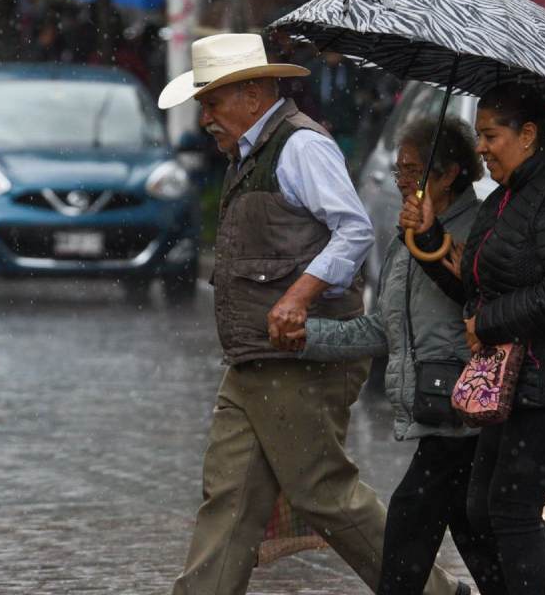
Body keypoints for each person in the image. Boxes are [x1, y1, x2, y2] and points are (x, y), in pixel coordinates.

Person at [157, 33, 461, 595]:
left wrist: (297, 296)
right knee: (230, 497)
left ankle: (434, 593)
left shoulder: (301, 146)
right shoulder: (251, 153)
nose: (206, 118)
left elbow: (354, 230)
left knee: (322, 490)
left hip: (299, 355)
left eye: (213, 102)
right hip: (255, 356)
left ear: (252, 95)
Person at [403, 83, 545, 595]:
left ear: (528, 134)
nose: (481, 147)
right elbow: (478, 288)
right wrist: (430, 241)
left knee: (512, 509)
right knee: (481, 506)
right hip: (515, 382)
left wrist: (490, 323)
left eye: (491, 135)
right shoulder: (505, 198)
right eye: (478, 135)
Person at [283, 116, 506, 594]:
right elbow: (385, 328)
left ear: (447, 174)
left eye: (410, 170)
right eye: (399, 170)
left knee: (411, 525)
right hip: (438, 412)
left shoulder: (482, 227)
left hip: (465, 409)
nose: (400, 180)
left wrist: (431, 242)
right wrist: (308, 337)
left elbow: (480, 298)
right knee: (479, 536)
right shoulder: (407, 235)